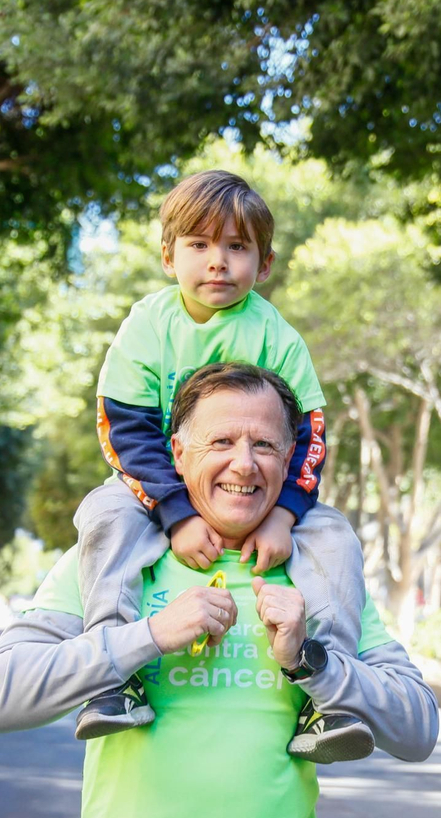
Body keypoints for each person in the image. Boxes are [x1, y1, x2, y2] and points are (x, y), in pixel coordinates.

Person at [0, 365, 438, 818]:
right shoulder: (115, 564)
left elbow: (417, 725)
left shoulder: (316, 575)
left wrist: (312, 661)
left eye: (265, 445)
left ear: (291, 459)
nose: (244, 464)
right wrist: (148, 637)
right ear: (177, 453)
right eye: (221, 441)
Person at [72, 169, 368, 762]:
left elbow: (308, 435)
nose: (218, 262)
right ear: (168, 256)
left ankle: (326, 691)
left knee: (335, 534)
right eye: (199, 245)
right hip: (155, 488)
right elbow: (124, 428)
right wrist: (176, 513)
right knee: (104, 515)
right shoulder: (147, 328)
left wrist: (285, 515)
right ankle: (111, 678)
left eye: (237, 247)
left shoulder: (277, 338)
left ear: (264, 264)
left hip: (254, 495)